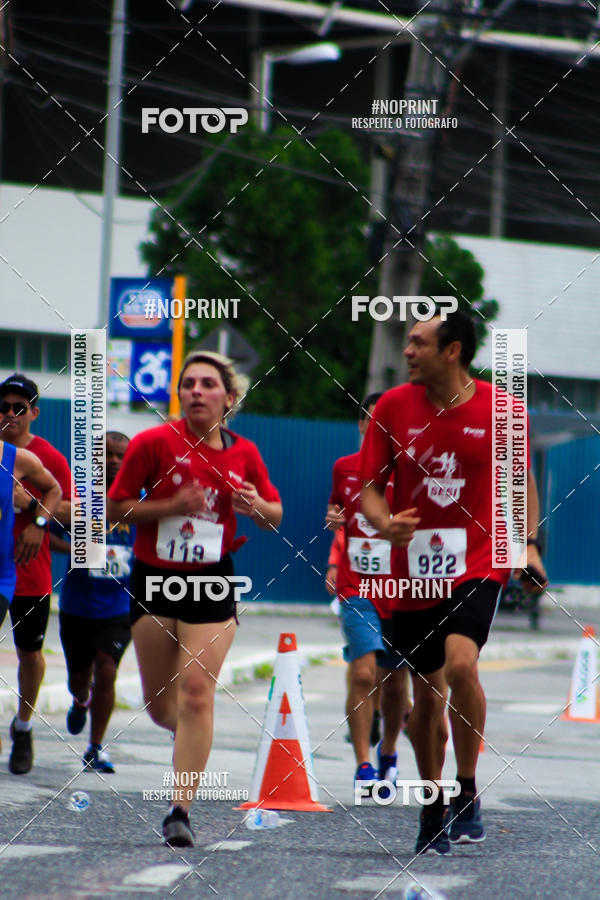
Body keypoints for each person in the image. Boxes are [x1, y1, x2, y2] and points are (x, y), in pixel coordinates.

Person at [360, 311, 548, 856]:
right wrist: (382, 523)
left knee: (462, 664)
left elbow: (522, 481)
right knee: (426, 696)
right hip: (413, 568)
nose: (408, 352)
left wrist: (529, 544)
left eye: (418, 343)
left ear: (453, 350)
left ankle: (466, 788)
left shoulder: (504, 410)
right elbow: (371, 487)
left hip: (478, 559)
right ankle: (432, 802)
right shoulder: (393, 407)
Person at [107, 350, 282, 848]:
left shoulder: (244, 453)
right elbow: (117, 507)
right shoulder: (152, 443)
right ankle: (187, 738)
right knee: (163, 708)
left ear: (229, 398)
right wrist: (170, 506)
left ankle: (179, 809)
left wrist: (254, 507)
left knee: (196, 691)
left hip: (212, 581)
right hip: (155, 581)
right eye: (189, 384)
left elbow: (276, 514)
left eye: (208, 384)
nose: (196, 391)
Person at [327, 393, 411, 794]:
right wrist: (334, 521)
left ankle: (389, 750)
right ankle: (363, 765)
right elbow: (337, 513)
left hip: (404, 590)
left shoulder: (413, 472)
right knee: (363, 673)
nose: (377, 429)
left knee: (395, 683)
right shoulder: (343, 468)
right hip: (357, 585)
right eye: (370, 421)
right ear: (361, 425)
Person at [0, 374, 71, 774]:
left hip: (29, 569)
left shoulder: (47, 458)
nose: (10, 414)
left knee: (30, 654)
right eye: (4, 406)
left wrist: (32, 510)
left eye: (19, 407)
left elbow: (75, 512)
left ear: (34, 413)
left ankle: (23, 726)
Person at [51, 432, 134, 773]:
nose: (114, 461)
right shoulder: (80, 500)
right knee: (79, 677)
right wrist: (75, 549)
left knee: (108, 667)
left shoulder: (141, 501)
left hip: (121, 606)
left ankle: (96, 746)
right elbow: (46, 529)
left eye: (120, 456)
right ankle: (80, 699)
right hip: (77, 605)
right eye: (107, 455)